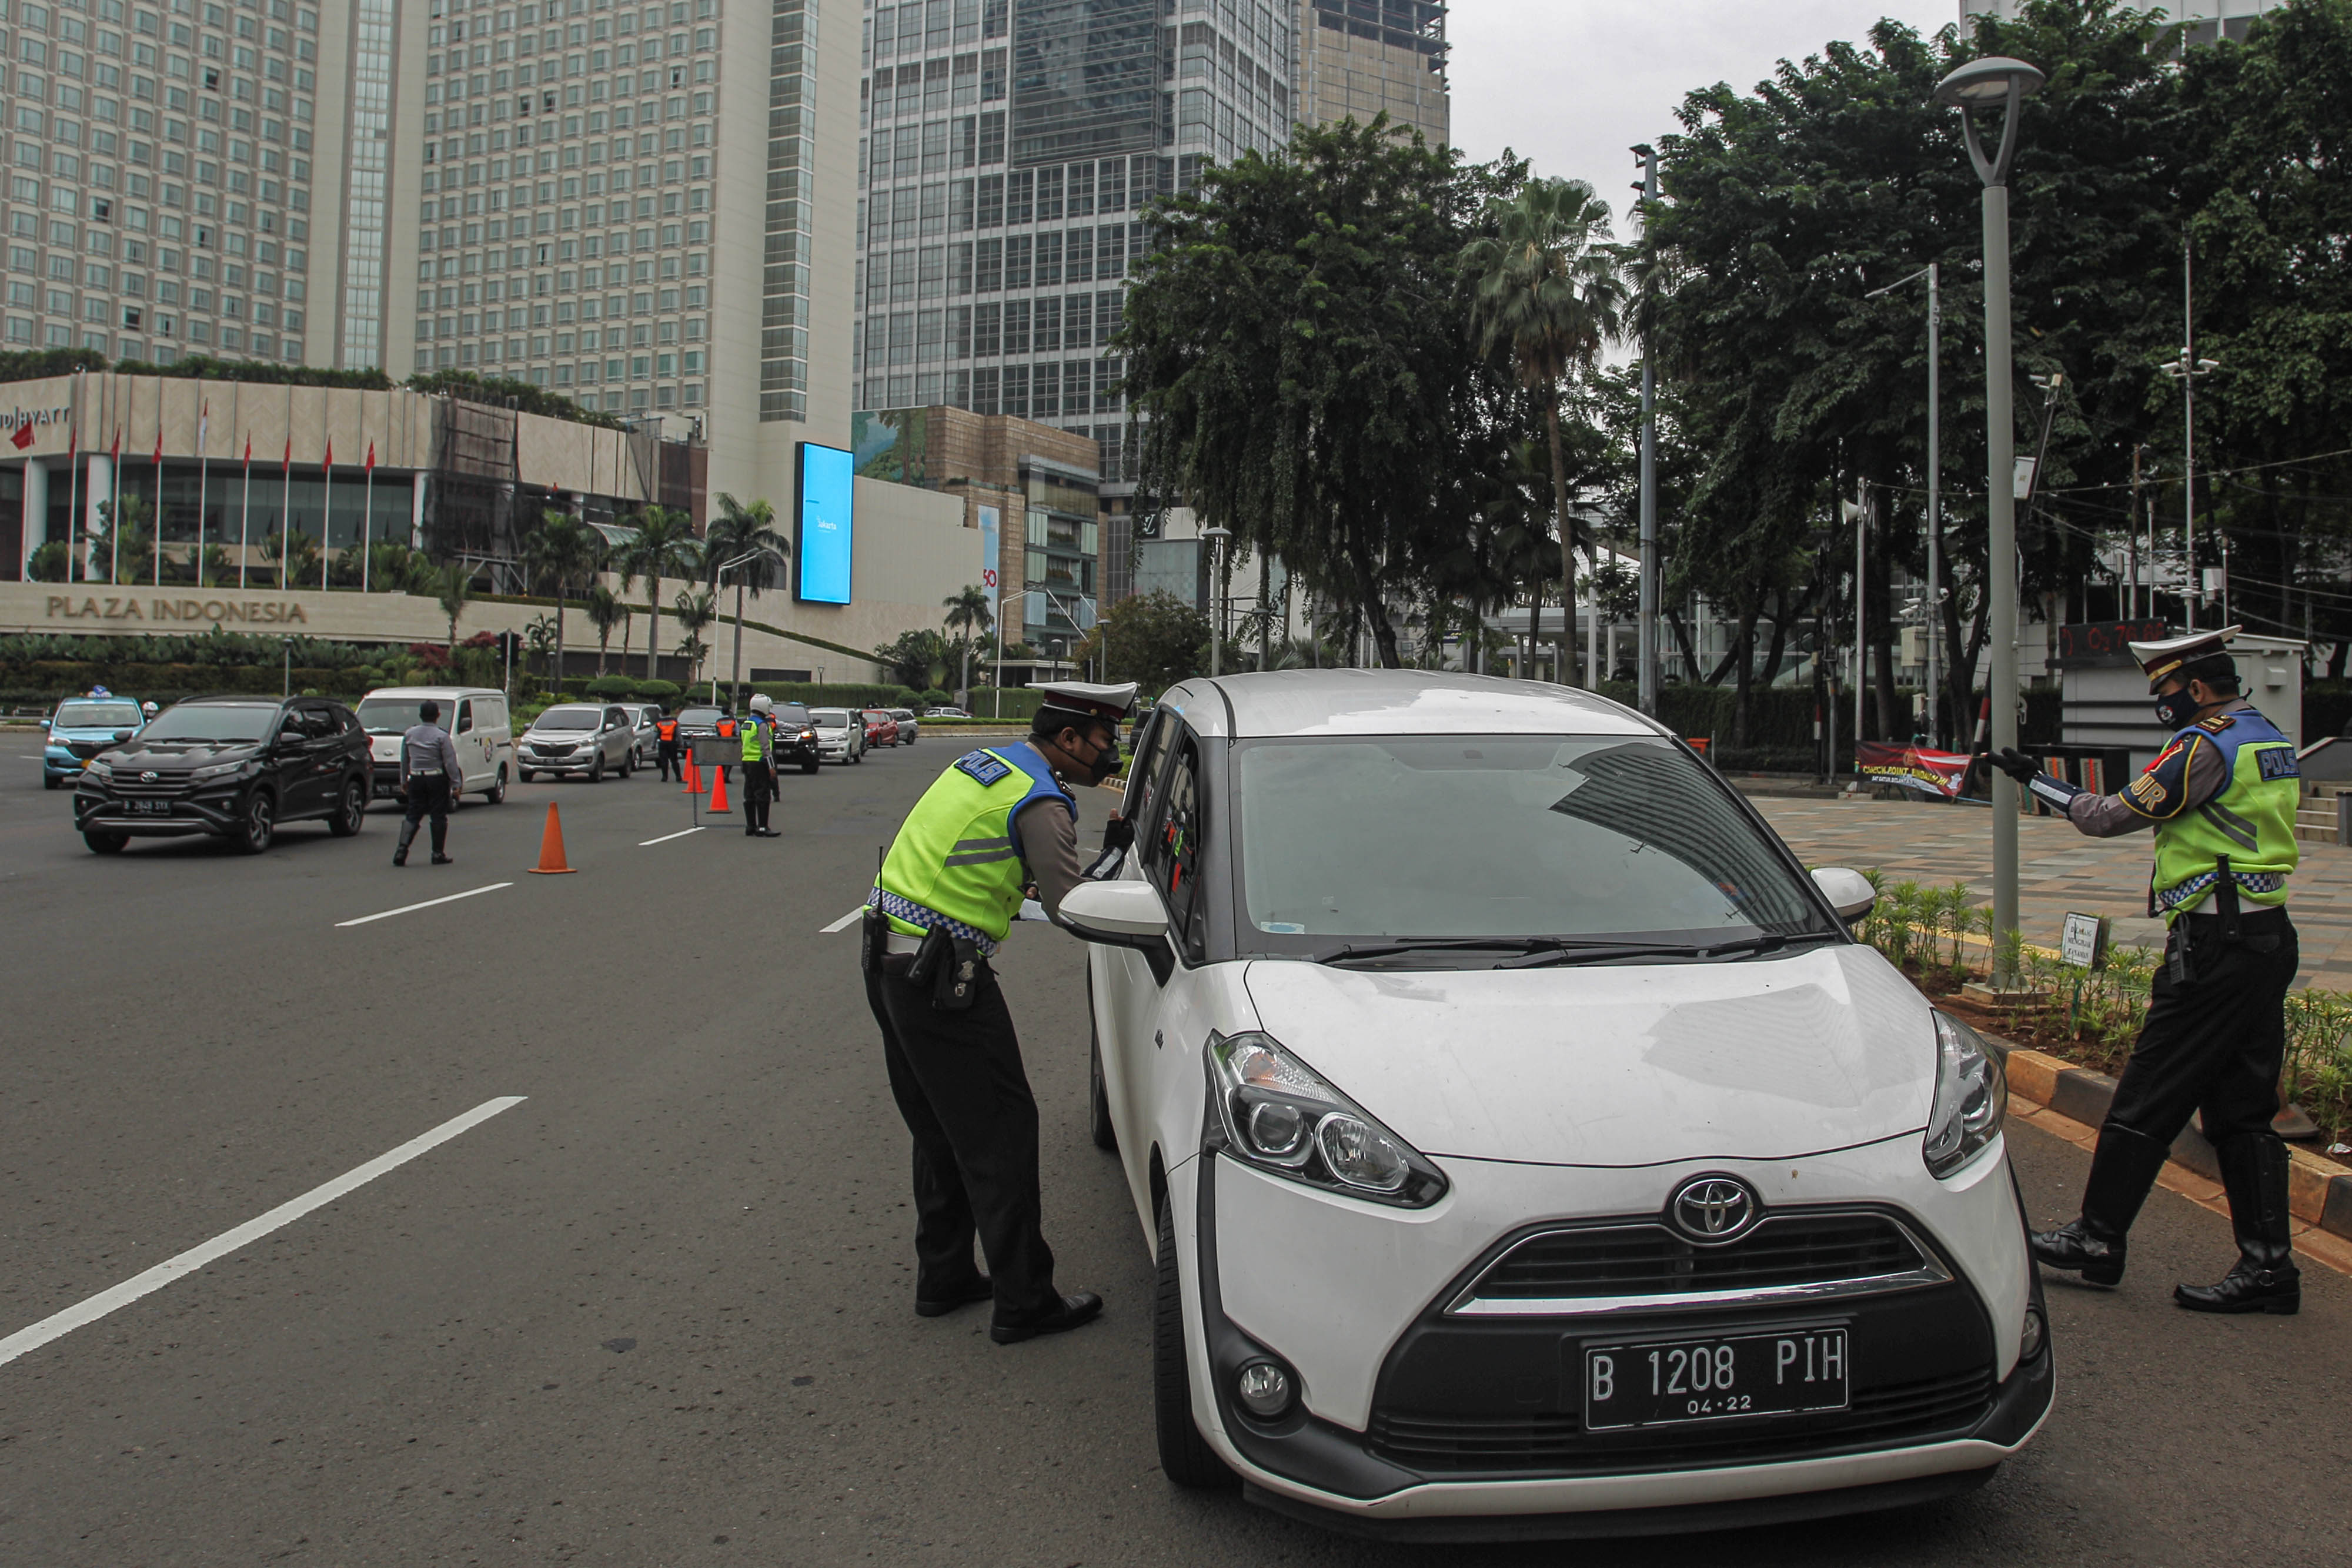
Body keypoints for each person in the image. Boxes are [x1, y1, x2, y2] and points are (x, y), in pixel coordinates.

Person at [1992, 627, 2302, 1315]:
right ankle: (2269, 1269)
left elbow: (2109, 817)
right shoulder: (2266, 736)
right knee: (2240, 1110)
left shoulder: (2202, 745)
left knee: (2145, 1096)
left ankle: (2098, 1240)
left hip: (2215, 948)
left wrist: (2037, 780)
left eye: (2163, 691)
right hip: (2265, 937)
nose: (2160, 704)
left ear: (2193, 688)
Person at [861, 679, 1135, 1345]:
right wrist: (1125, 877)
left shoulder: (988, 766)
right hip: (941, 977)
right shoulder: (1042, 801)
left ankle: (946, 1275)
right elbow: (1076, 909)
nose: (1111, 756)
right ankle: (1025, 1299)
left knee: (940, 1128)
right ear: (1068, 740)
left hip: (887, 958)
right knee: (1002, 1133)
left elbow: (987, 865)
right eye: (1104, 742)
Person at [395, 698, 465, 867]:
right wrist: (456, 784)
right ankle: (437, 853)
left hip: (417, 777)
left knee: (413, 813)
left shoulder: (410, 734)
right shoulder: (441, 736)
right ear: (438, 716)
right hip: (437, 778)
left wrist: (404, 780)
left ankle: (401, 851)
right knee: (438, 815)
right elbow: (450, 761)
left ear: (420, 715)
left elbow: (405, 759)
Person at [740, 692, 780, 837]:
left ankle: (751, 826)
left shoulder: (746, 723)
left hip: (747, 762)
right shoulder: (761, 725)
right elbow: (765, 748)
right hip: (759, 762)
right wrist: (771, 767)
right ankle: (763, 827)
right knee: (763, 795)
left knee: (749, 795)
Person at [654, 708, 680, 782]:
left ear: (663, 713)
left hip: (662, 742)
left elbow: (655, 734)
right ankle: (678, 777)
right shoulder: (675, 721)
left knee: (664, 761)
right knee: (674, 760)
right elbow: (678, 734)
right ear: (669, 712)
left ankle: (665, 777)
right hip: (672, 742)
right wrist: (681, 743)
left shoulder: (659, 722)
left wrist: (653, 744)